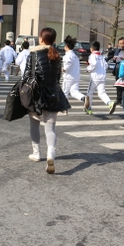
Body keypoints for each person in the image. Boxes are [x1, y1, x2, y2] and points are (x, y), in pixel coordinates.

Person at [25, 27, 70, 174]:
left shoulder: (33, 54)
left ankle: (36, 153)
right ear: (54, 40)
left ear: (41, 39)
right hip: (53, 95)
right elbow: (58, 77)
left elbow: (27, 75)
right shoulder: (57, 55)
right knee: (50, 128)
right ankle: (51, 153)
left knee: (34, 124)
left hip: (37, 95)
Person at [85, 41, 116, 115]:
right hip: (102, 77)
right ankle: (110, 103)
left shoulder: (92, 56)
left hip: (95, 77)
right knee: (101, 93)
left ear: (91, 48)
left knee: (89, 93)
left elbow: (94, 64)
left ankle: (89, 108)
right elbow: (106, 65)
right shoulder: (101, 56)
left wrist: (88, 69)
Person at [61, 35, 86, 105]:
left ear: (66, 46)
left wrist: (63, 69)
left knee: (65, 93)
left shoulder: (67, 56)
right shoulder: (75, 56)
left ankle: (64, 107)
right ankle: (84, 98)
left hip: (68, 77)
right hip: (76, 77)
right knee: (74, 92)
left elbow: (67, 65)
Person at [113, 37, 124, 107]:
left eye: (122, 43)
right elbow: (114, 60)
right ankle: (118, 99)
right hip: (118, 68)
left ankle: (123, 100)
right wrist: (114, 58)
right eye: (120, 43)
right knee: (118, 84)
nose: (121, 45)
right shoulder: (117, 50)